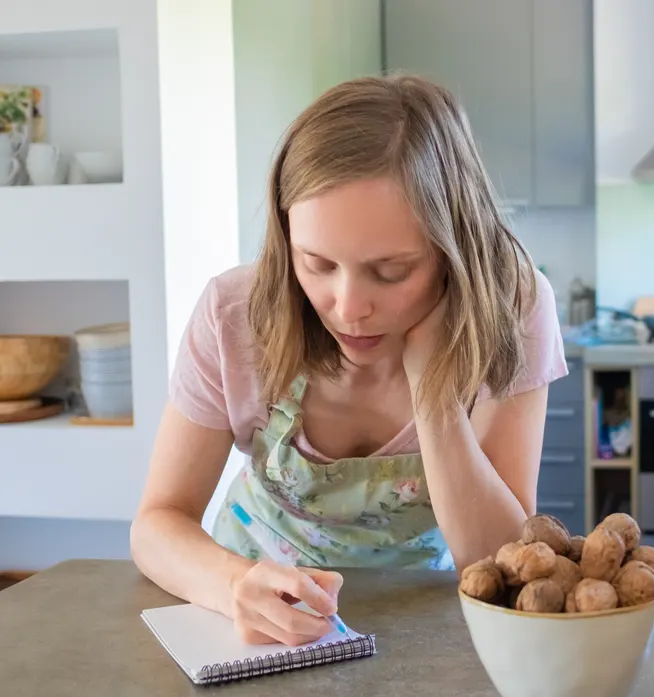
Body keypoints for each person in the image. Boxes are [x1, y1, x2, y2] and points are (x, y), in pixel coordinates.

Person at [130, 74, 567, 647]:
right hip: (250, 621)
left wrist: (432, 392)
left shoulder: (511, 307)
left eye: (392, 271)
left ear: (453, 250)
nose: (349, 307)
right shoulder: (234, 313)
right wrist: (236, 585)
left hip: (422, 621)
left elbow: (499, 561)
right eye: (316, 263)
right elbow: (158, 523)